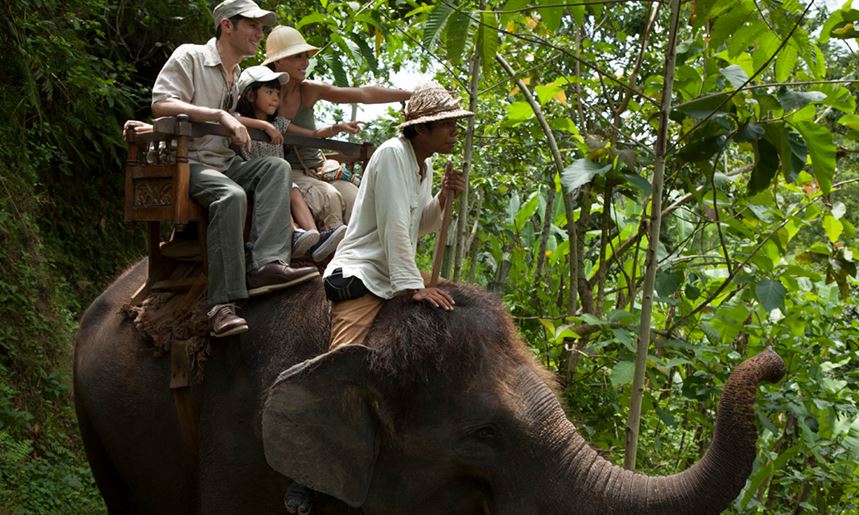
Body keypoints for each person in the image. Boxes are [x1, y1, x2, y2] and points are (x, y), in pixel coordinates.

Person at [150, 0, 318, 338]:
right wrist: (219, 115)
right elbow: (160, 104)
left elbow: (235, 119)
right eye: (253, 26)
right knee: (231, 196)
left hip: (223, 162)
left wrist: (257, 123)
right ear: (227, 26)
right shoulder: (191, 56)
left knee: (275, 167)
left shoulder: (236, 73)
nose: (260, 33)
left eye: (261, 26)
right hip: (189, 162)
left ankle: (267, 264)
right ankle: (221, 305)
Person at [323, 82, 473, 350]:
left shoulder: (424, 163)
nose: (455, 131)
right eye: (446, 123)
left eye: (455, 122)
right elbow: (395, 227)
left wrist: (443, 195)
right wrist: (415, 288)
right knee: (345, 360)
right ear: (420, 128)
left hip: (392, 273)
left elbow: (420, 225)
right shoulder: (392, 154)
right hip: (365, 272)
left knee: (459, 303)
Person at [262, 25, 413, 229]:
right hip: (291, 173)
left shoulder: (308, 90)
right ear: (278, 61)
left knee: (357, 201)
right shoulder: (262, 94)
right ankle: (328, 250)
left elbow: (363, 94)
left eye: (306, 56)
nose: (306, 62)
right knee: (329, 196)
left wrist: (410, 95)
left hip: (321, 169)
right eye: (298, 56)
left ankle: (363, 257)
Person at [234, 65, 347, 262]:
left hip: (281, 180)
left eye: (277, 92)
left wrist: (334, 128)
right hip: (256, 180)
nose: (276, 97)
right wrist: (264, 126)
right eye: (269, 92)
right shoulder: (240, 121)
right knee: (280, 188)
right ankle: (294, 231)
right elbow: (233, 119)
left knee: (292, 189)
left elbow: (311, 134)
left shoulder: (280, 124)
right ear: (251, 96)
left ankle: (313, 237)